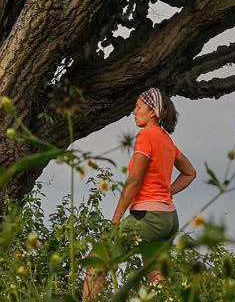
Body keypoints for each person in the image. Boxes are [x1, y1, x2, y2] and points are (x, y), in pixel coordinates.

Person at [84, 88, 196, 300]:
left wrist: (115, 221)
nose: (133, 112)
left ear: (152, 112)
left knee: (97, 258)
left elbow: (134, 181)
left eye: (138, 107)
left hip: (149, 217)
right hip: (169, 219)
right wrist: (167, 192)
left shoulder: (145, 135)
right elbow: (190, 172)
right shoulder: (167, 141)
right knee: (157, 276)